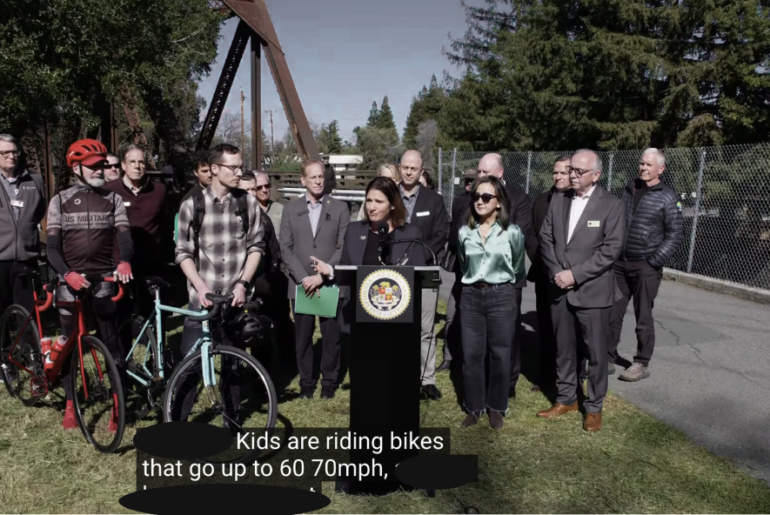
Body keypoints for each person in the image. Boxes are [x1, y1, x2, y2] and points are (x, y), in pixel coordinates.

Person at [45, 138, 134, 431]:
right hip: (70, 281)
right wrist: (66, 273)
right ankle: (71, 404)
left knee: (112, 343)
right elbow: (53, 248)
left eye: (104, 165)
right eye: (95, 166)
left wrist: (124, 261)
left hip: (104, 279)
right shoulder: (59, 200)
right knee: (71, 344)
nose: (101, 169)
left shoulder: (113, 199)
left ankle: (118, 405)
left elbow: (124, 237)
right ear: (77, 168)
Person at [174, 143, 264, 427]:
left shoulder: (247, 203)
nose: (239, 172)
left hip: (235, 300)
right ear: (214, 169)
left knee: (233, 365)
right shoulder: (192, 205)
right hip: (202, 300)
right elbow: (183, 253)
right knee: (189, 365)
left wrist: (242, 284)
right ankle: (176, 423)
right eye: (233, 167)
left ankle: (231, 421)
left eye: (240, 166)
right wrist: (200, 287)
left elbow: (256, 247)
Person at [537, 149, 625, 432]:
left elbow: (611, 251)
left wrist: (575, 275)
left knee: (596, 353)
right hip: (559, 288)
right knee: (564, 349)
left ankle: (594, 407)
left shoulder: (612, 205)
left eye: (578, 171)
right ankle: (566, 398)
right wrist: (556, 273)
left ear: (596, 175)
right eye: (571, 169)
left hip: (593, 291)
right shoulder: (559, 200)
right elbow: (545, 237)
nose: (572, 175)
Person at [311, 177, 426, 332]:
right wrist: (330, 271)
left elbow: (419, 277)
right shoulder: (353, 231)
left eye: (379, 202)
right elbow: (345, 267)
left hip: (396, 318)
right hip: (358, 316)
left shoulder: (411, 234)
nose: (371, 207)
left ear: (392, 204)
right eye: (369, 200)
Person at [608, 148, 684, 381]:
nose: (643, 168)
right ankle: (607, 356)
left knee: (643, 316)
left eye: (649, 165)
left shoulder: (668, 197)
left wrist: (653, 261)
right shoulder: (629, 189)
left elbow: (675, 235)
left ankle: (641, 363)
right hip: (620, 263)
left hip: (645, 266)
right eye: (642, 163)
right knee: (612, 311)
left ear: (660, 169)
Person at [457, 176, 525, 430]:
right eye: (476, 196)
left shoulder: (512, 232)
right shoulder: (465, 232)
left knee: (500, 353)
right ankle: (474, 407)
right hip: (471, 297)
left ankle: (497, 407)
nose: (480, 201)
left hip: (502, 296)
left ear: (499, 203)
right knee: (471, 355)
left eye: (487, 197)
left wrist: (499, 283)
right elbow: (464, 263)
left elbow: (518, 268)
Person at [279, 160, 350, 400]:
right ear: (303, 180)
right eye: (313, 177)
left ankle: (329, 382)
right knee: (303, 337)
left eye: (321, 176)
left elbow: (344, 246)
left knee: (331, 337)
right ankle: (306, 383)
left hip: (328, 282)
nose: (318, 181)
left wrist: (323, 275)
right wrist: (303, 278)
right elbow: (285, 248)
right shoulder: (290, 209)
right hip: (301, 286)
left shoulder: (340, 208)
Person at [476, 153, 537, 397]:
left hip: (507, 279)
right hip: (477, 278)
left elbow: (516, 236)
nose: (480, 176)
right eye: (479, 172)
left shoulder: (519, 199)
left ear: (500, 174)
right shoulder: (474, 197)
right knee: (480, 332)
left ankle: (507, 382)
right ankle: (481, 376)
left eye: (486, 173)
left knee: (507, 333)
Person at [103, 145, 168, 350]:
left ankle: (157, 365)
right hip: (119, 263)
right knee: (120, 315)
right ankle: (121, 365)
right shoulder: (109, 190)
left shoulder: (159, 190)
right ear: (123, 165)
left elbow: (166, 223)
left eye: (141, 162)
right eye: (132, 162)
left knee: (155, 315)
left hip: (151, 263)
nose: (138, 166)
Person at [398, 150, 448, 400]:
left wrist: (421, 256)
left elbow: (441, 234)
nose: (408, 172)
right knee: (397, 325)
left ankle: (427, 379)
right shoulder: (388, 195)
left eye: (413, 168)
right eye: (405, 167)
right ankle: (399, 373)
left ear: (421, 171)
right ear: (400, 168)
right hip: (394, 272)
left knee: (426, 327)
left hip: (426, 271)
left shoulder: (433, 200)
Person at [527, 155, 573, 393]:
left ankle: (568, 377)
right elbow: (533, 234)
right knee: (545, 326)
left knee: (567, 331)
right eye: (555, 172)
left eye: (564, 172)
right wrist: (547, 262)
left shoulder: (577, 200)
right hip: (545, 273)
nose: (558, 177)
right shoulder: (542, 200)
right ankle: (544, 376)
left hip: (569, 277)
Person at [0, 134, 47, 319]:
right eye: (5, 153)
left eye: (14, 152)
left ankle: (28, 349)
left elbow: (40, 212)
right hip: (0, 260)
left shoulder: (34, 181)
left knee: (27, 315)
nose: (11, 156)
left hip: (27, 258)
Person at [437, 168, 477, 373]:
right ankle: (448, 358)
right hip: (461, 271)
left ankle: (468, 361)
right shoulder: (460, 202)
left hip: (479, 272)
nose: (468, 184)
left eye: (473, 181)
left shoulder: (488, 204)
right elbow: (454, 234)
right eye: (467, 181)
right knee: (452, 314)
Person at [241, 170, 284, 237]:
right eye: (259, 187)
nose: (264, 190)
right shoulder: (247, 211)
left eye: (267, 186)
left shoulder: (281, 209)